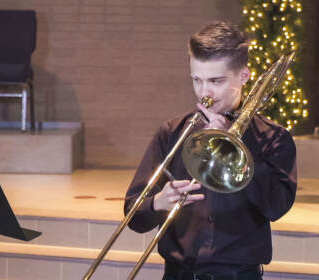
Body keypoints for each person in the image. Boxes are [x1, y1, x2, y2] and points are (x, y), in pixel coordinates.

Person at [124, 21, 297, 280]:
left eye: (216, 80)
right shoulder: (173, 132)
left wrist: (240, 148)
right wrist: (159, 202)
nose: (204, 92)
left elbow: (276, 208)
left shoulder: (273, 138)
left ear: (244, 76)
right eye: (197, 80)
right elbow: (134, 216)